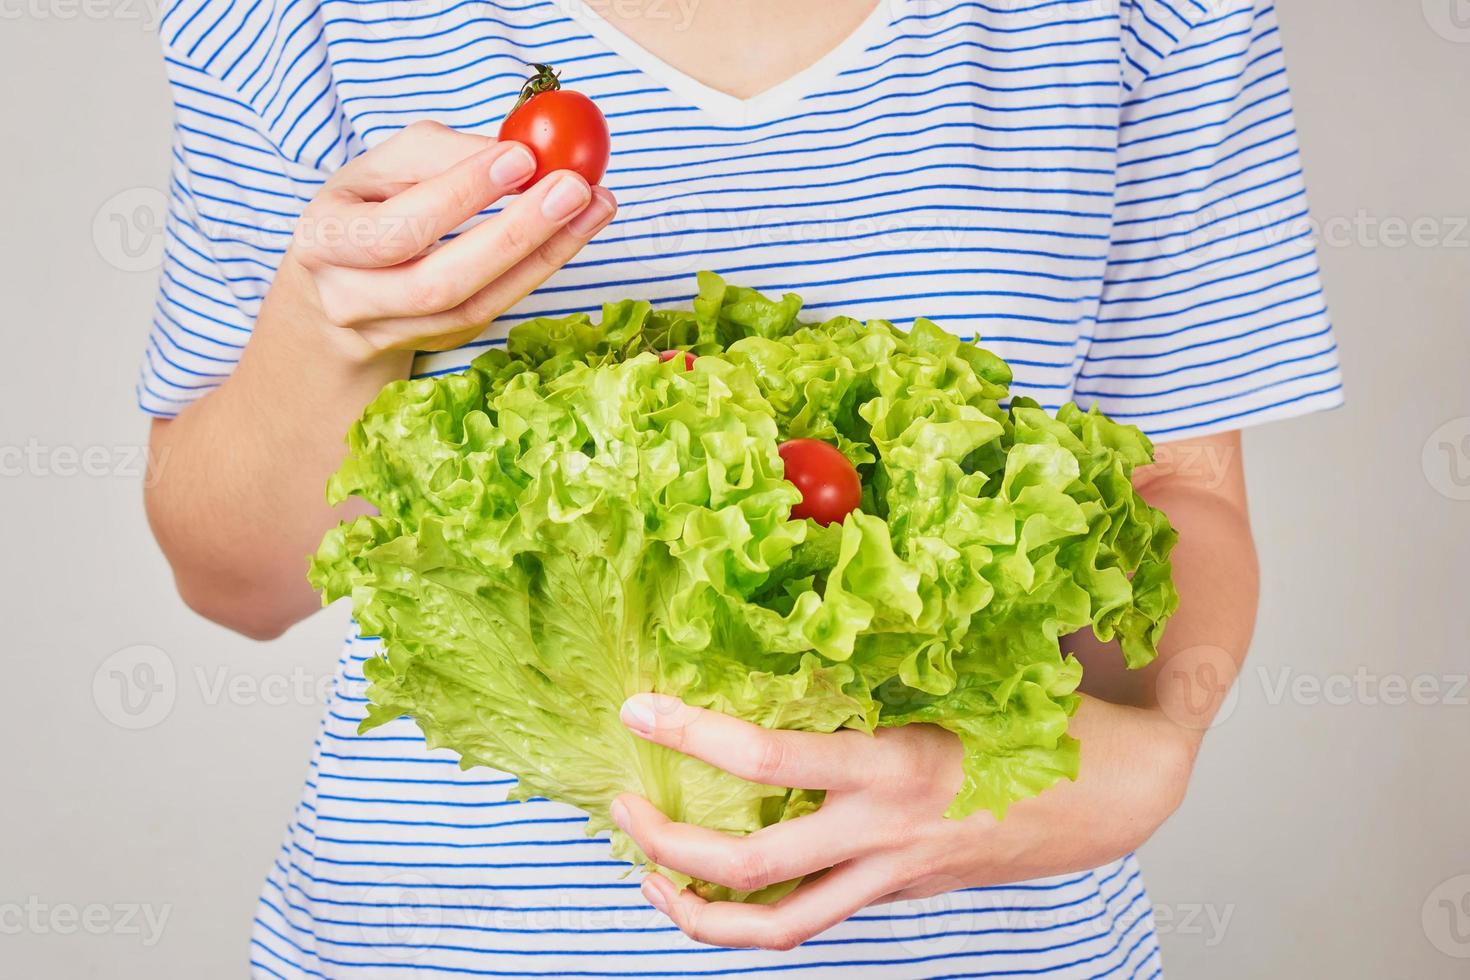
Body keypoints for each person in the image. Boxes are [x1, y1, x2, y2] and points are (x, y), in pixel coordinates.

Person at [140, 0, 1342, 975]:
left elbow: (1180, 488)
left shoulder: (1148, 20)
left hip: (979, 948)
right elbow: (237, 582)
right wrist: (326, 328)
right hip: (445, 946)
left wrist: (1148, 750)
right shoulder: (299, 21)